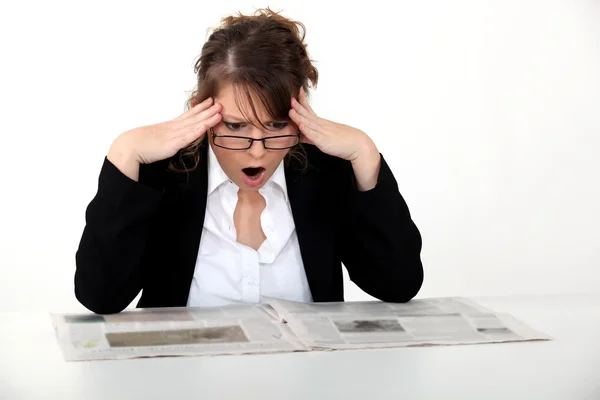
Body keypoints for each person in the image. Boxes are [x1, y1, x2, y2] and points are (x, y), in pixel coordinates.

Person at [74, 8, 423, 315]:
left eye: (275, 125)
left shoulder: (326, 172)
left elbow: (398, 285)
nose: (257, 151)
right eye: (236, 126)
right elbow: (101, 297)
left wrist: (365, 152)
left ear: (300, 114)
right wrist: (125, 152)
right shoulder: (164, 175)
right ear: (201, 110)